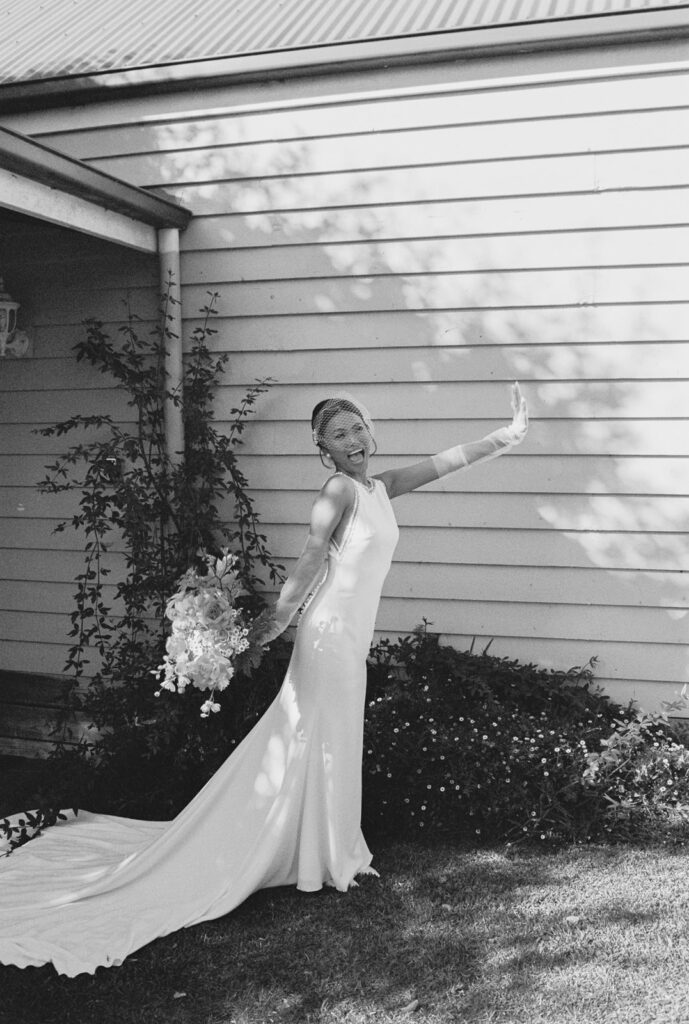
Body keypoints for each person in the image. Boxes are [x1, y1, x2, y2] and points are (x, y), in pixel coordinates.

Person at [0, 383, 528, 976]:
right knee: (318, 738)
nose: (354, 439)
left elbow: (442, 463)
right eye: (339, 434)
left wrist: (506, 437)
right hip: (327, 635)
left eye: (358, 428)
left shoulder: (378, 487)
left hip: (350, 638)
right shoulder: (337, 491)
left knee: (328, 740)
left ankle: (326, 854)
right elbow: (309, 560)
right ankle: (326, 857)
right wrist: (270, 627)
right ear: (322, 449)